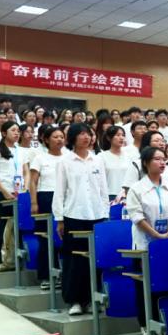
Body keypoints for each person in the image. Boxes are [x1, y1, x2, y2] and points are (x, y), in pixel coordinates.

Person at [53, 123, 110, 316]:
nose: (87, 137)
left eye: (89, 134)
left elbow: (103, 189)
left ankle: (92, 298)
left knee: (95, 260)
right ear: (73, 138)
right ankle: (75, 301)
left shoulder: (97, 160)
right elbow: (59, 192)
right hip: (74, 216)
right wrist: (60, 219)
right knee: (74, 261)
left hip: (97, 216)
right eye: (82, 134)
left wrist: (106, 213)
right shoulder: (65, 161)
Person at [125, 146, 168, 335]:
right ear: (146, 163)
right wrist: (156, 234)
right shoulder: (136, 189)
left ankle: (166, 324)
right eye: (157, 159)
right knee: (145, 288)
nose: (162, 162)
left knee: (167, 285)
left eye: (164, 159)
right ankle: (146, 326)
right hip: (145, 246)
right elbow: (137, 217)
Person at [28, 125, 65, 289]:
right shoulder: (40, 158)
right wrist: (34, 202)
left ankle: (63, 275)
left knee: (63, 239)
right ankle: (45, 276)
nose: (59, 140)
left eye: (61, 137)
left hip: (65, 198)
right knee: (46, 239)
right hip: (45, 198)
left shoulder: (68, 157)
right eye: (55, 137)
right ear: (47, 140)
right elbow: (33, 182)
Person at [0, 121, 28, 271]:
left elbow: (26, 172)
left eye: (18, 131)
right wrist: (4, 191)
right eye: (13, 130)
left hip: (18, 193)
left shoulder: (21, 151)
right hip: (1, 193)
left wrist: (25, 188)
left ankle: (16, 260)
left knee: (19, 228)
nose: (17, 133)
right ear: (4, 133)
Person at [100, 126, 135, 202]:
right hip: (109, 195)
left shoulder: (129, 156)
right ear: (109, 138)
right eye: (118, 135)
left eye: (123, 135)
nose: (121, 138)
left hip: (127, 195)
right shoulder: (101, 156)